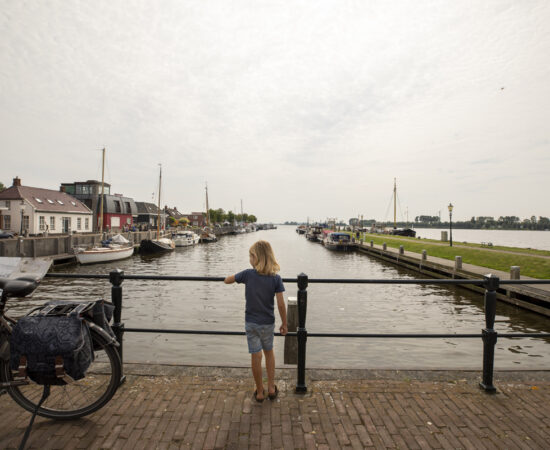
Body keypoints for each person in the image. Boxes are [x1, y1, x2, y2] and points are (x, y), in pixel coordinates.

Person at [224, 240, 287, 402]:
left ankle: (259, 391)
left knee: (255, 356)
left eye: (250, 256)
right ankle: (271, 388)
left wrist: (230, 277)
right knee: (269, 353)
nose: (249, 259)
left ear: (256, 257)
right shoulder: (276, 278)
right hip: (268, 323)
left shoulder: (247, 274)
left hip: (251, 323)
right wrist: (284, 323)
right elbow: (280, 304)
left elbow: (227, 280)